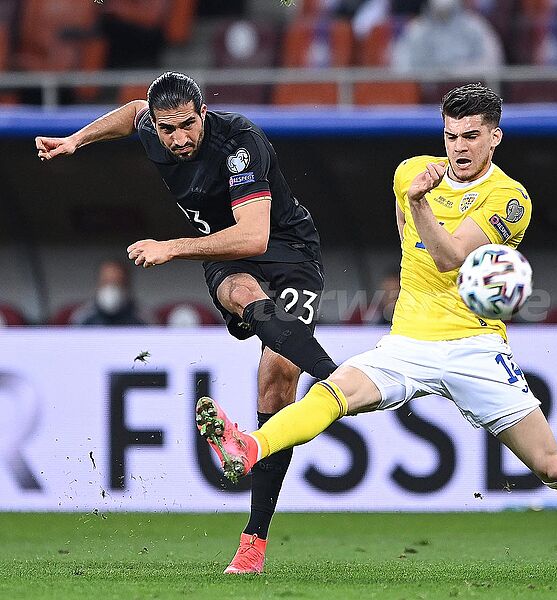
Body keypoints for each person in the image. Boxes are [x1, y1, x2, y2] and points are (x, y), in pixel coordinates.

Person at [196, 83, 557, 575]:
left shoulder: (510, 199)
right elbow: (411, 245)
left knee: (551, 465)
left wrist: (421, 203)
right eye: (451, 136)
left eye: (471, 136)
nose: (459, 147)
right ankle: (248, 447)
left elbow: (448, 258)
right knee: (331, 393)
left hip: (475, 347)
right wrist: (417, 203)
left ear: (495, 137)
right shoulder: (410, 171)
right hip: (408, 342)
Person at [34, 71, 339, 575]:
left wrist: (172, 247)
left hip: (288, 252)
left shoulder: (239, 144)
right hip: (225, 254)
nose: (177, 138)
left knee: (279, 375)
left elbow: (254, 237)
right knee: (243, 294)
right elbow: (132, 112)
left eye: (186, 125)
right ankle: (342, 380)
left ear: (203, 113)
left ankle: (253, 542)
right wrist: (76, 140)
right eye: (167, 128)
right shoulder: (150, 125)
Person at [390, 0, 504, 72]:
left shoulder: (475, 26)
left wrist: (458, 73)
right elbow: (401, 67)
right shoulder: (416, 30)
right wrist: (432, 76)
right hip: (427, 96)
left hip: (467, 95)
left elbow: (492, 62)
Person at [71, 258, 147, 326]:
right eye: (106, 282)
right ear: (98, 284)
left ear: (127, 285)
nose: (111, 287)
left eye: (117, 283)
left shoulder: (142, 318)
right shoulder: (82, 318)